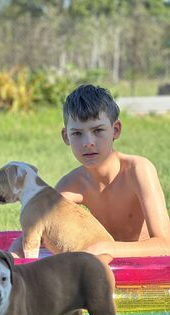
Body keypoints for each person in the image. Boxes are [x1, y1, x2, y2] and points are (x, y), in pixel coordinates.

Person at [56, 84, 170, 258]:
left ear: (115, 130)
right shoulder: (70, 185)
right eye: (77, 133)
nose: (88, 142)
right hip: (105, 269)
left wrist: (105, 248)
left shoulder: (138, 171)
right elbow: (36, 233)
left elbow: (165, 245)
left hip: (151, 273)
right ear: (66, 137)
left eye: (98, 130)